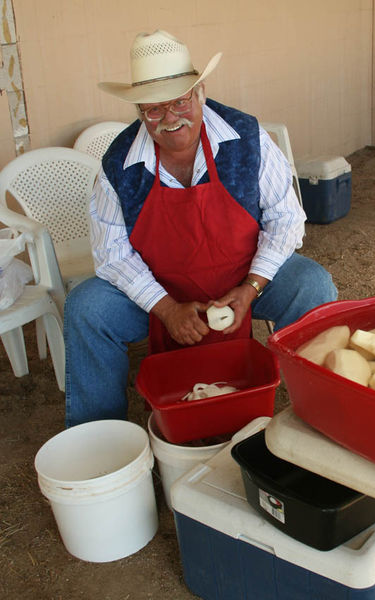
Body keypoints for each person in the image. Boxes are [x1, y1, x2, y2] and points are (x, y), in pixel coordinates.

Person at [64, 30, 337, 427]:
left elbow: (287, 219)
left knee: (312, 284)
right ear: (139, 109)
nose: (170, 119)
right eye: (154, 110)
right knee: (87, 308)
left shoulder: (247, 138)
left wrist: (251, 288)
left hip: (242, 279)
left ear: (200, 92)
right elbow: (112, 254)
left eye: (180, 101)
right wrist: (167, 308)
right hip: (161, 289)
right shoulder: (118, 164)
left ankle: (322, 412)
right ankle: (99, 438)